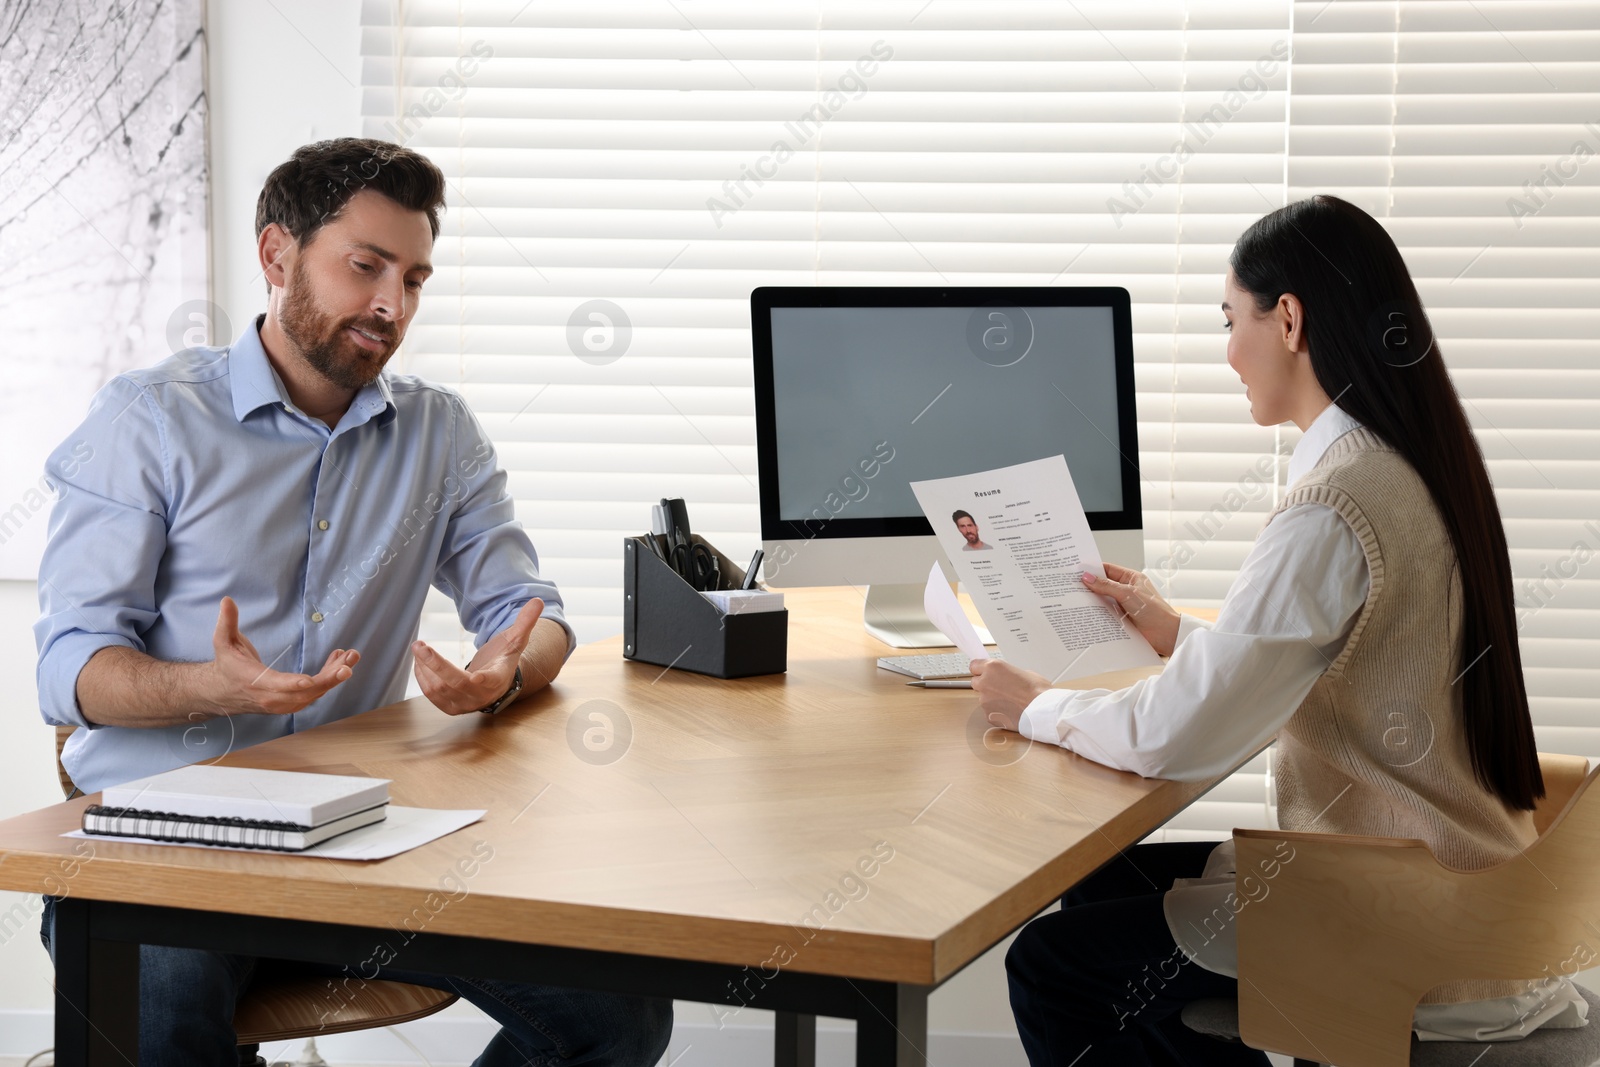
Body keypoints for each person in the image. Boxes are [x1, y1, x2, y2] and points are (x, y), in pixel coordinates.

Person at [33, 138, 672, 1066]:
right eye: (365, 266)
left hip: (362, 836)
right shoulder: (149, 420)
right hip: (167, 839)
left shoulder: (437, 431)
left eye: (413, 278)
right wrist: (213, 688)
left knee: (618, 1014)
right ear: (277, 255)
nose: (392, 305)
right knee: (157, 1001)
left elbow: (533, 611)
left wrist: (501, 676)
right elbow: (67, 672)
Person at [973, 194, 1585, 1066]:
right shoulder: (1407, 458)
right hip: (1462, 888)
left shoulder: (1336, 501)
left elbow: (1176, 733)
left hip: (1413, 926)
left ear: (1288, 319)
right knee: (1098, 888)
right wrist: (1173, 631)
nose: (1228, 352)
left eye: (1232, 320)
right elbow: (1329, 662)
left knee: (1051, 966)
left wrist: (1033, 707)